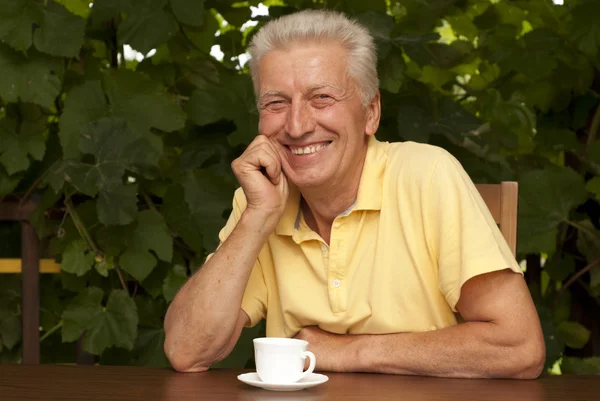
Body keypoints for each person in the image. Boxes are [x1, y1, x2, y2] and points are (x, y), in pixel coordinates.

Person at [164, 9, 545, 379]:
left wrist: (348, 350)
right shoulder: (261, 199)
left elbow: (519, 347)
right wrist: (257, 217)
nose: (296, 126)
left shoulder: (427, 174)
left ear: (371, 112)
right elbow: (186, 350)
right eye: (276, 103)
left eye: (322, 98)